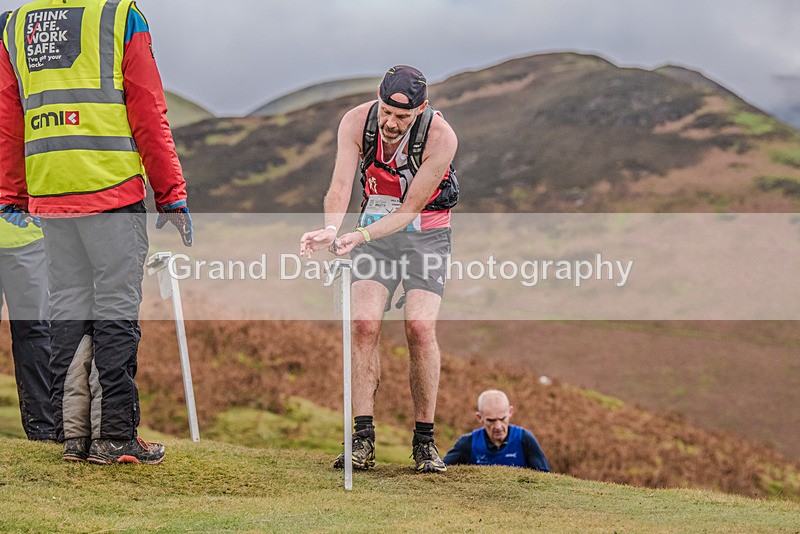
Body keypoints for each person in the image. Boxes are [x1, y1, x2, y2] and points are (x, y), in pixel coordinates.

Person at [0, 1, 191, 464]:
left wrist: (12, 192)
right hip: (111, 191)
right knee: (115, 310)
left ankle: (74, 440)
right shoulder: (122, 15)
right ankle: (115, 437)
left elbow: (9, 118)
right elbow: (148, 109)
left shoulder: (16, 23)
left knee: (68, 309)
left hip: (50, 193)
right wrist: (170, 192)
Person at [300, 65, 458, 473]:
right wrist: (332, 230)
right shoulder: (356, 121)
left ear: (421, 110)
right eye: (386, 111)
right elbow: (340, 186)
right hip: (372, 228)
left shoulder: (441, 138)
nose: (390, 122)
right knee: (363, 325)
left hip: (426, 232)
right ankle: (362, 440)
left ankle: (424, 442)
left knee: (420, 328)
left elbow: (408, 212)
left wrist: (360, 238)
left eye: (402, 118)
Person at [0, 218, 55, 443]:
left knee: (35, 334)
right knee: (36, 333)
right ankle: (45, 430)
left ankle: (45, 431)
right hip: (27, 237)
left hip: (27, 237)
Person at [443, 389, 551, 471]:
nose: (498, 426)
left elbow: (545, 479)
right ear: (479, 417)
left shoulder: (525, 439)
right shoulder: (467, 444)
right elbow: (441, 470)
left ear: (510, 412)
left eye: (502, 419)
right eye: (491, 420)